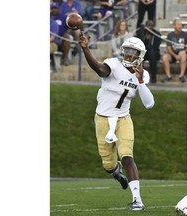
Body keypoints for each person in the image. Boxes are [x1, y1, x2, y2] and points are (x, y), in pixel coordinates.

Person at [78, 34, 155, 210]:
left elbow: (149, 104)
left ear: (140, 55)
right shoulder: (113, 64)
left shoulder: (142, 74)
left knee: (127, 155)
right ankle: (115, 171)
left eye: (133, 52)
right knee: (108, 164)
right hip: (103, 119)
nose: (129, 55)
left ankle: (137, 200)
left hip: (123, 119)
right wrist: (85, 48)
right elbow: (99, 69)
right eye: (127, 50)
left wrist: (141, 80)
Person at [162, 17, 187, 82]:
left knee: (184, 56)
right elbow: (168, 48)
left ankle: (181, 76)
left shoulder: (185, 34)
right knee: (165, 57)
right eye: (178, 24)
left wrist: (184, 51)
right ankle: (168, 76)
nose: (180, 26)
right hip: (172, 55)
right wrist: (175, 56)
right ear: (174, 25)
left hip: (182, 54)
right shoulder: (170, 35)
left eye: (181, 24)